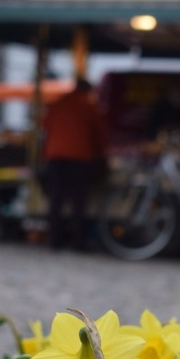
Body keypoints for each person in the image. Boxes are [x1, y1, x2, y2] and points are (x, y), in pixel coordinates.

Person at [41, 78, 107, 251]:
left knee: (56, 199)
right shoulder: (89, 106)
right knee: (79, 202)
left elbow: (45, 126)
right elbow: (99, 134)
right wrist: (101, 157)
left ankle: (54, 240)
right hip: (80, 157)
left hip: (56, 156)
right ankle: (77, 242)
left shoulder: (58, 103)